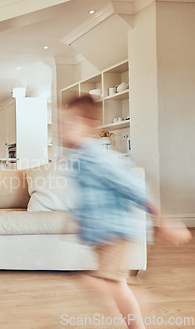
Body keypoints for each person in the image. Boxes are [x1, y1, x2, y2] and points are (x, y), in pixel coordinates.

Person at [59, 95, 191, 329]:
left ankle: (137, 320)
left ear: (89, 125)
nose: (62, 130)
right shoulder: (79, 158)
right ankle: (136, 304)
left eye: (70, 123)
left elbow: (134, 187)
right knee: (112, 283)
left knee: (110, 282)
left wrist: (162, 221)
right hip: (102, 235)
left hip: (116, 232)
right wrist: (79, 220)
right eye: (61, 123)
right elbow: (88, 197)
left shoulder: (98, 157)